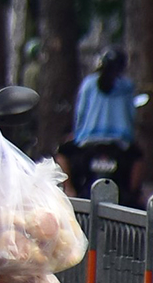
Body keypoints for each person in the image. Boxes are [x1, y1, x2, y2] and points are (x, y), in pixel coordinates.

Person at [61, 45, 143, 194]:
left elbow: (80, 114)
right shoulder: (127, 86)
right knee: (138, 158)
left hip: (88, 141)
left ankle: (70, 190)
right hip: (120, 143)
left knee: (62, 153)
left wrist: (77, 133)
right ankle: (133, 195)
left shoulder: (88, 84)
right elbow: (131, 116)